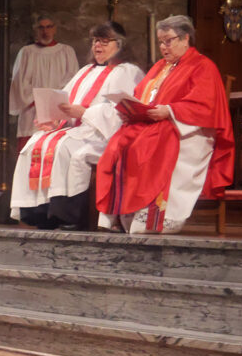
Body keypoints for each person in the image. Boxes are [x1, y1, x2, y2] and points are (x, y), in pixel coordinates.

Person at [96, 15, 234, 234]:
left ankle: (151, 217)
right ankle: (118, 214)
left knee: (145, 146)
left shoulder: (203, 66)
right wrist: (130, 111)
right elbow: (141, 95)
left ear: (185, 38)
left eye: (168, 40)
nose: (163, 46)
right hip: (155, 125)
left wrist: (169, 111)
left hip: (188, 131)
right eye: (161, 41)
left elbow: (205, 106)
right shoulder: (159, 67)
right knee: (118, 143)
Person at [10, 21, 145, 229]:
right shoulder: (85, 71)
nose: (97, 46)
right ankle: (39, 212)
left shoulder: (127, 71)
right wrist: (54, 120)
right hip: (77, 129)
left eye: (104, 41)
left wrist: (85, 113)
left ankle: (68, 214)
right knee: (35, 142)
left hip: (104, 134)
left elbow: (122, 112)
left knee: (67, 149)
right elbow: (66, 101)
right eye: (94, 41)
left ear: (120, 44)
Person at [9, 16, 80, 149]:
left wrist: (52, 99)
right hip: (31, 111)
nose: (45, 31)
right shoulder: (26, 52)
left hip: (58, 111)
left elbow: (73, 81)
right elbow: (19, 83)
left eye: (49, 27)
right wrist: (36, 98)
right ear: (36, 30)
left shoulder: (66, 52)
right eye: (41, 27)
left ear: (55, 29)